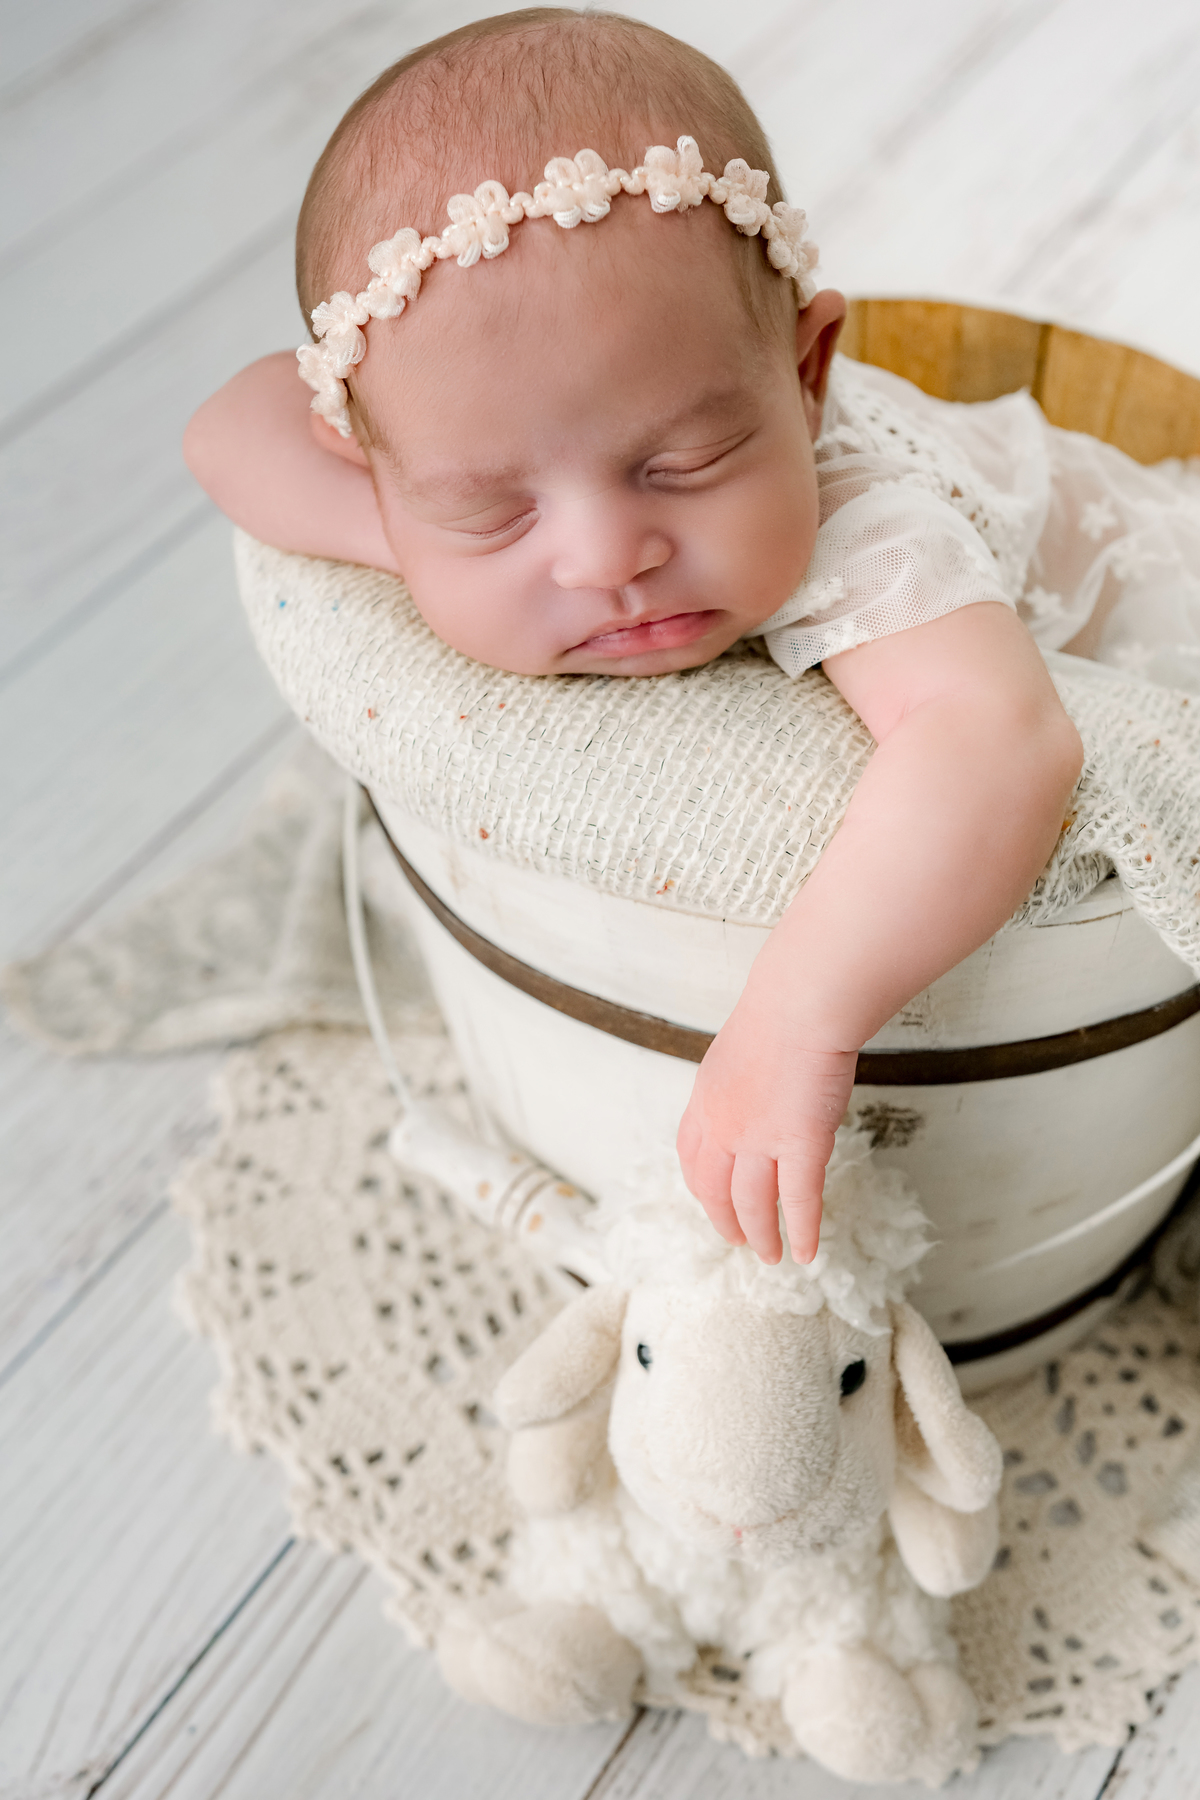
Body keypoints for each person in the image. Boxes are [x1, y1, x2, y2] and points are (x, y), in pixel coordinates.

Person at [184, 7, 1089, 1267]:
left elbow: (999, 741)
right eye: (491, 502)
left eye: (688, 460)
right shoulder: (467, 471)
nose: (607, 559)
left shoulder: (866, 524)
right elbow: (226, 427)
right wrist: (429, 537)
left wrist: (795, 1024)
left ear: (810, 369)